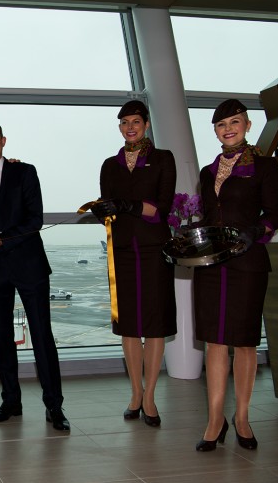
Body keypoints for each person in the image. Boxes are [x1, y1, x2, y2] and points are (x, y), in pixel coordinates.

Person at [0, 118, 69, 431]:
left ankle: (54, 406)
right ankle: (11, 400)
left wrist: (3, 239)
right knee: (1, 339)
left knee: (40, 336)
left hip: (29, 265)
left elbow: (34, 218)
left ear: (3, 140)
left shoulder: (25, 172)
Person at [193, 99, 278, 452]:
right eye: (221, 125)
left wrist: (254, 232)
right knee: (214, 341)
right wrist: (189, 240)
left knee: (244, 341)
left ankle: (242, 417)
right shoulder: (207, 171)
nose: (228, 128)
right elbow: (206, 216)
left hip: (247, 262)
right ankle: (216, 419)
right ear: (215, 131)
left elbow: (274, 214)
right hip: (212, 264)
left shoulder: (264, 167)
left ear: (247, 125)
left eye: (234, 122)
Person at [91, 100, 177, 428]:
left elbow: (163, 207)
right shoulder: (109, 165)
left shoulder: (162, 159)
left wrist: (130, 204)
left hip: (155, 248)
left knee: (154, 325)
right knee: (128, 325)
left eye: (136, 121)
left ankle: (151, 395)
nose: (130, 127)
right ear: (119, 127)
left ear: (146, 124)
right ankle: (135, 393)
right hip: (122, 249)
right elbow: (109, 211)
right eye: (125, 122)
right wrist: (105, 212)